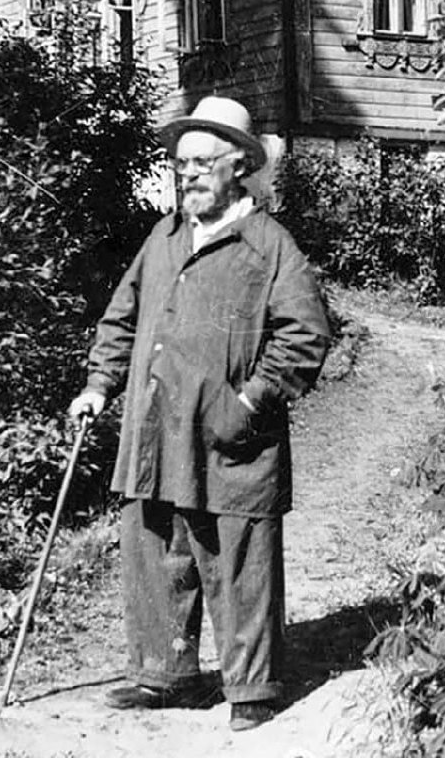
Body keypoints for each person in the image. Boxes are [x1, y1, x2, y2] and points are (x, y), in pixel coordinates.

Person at [69, 96, 330, 731]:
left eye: (200, 163)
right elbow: (121, 318)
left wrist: (250, 401)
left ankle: (252, 689)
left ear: (238, 165)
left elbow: (305, 335)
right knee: (156, 547)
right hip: (157, 426)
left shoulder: (269, 246)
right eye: (180, 164)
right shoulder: (163, 239)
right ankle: (165, 676)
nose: (186, 175)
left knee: (239, 558)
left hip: (231, 433)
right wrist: (100, 384)